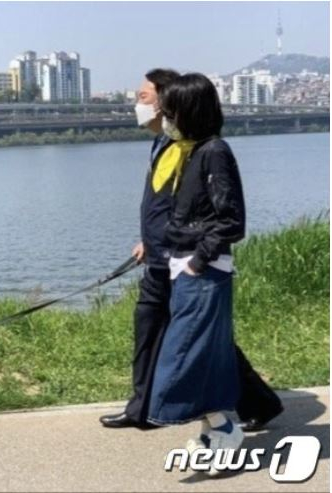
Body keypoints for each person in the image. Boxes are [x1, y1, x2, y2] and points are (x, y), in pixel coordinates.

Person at [99, 69, 283, 431]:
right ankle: (147, 409)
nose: (142, 105)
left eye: (146, 97)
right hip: (162, 256)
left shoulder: (199, 149)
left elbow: (221, 216)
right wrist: (148, 241)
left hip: (184, 262)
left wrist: (196, 262)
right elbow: (167, 206)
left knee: (195, 341)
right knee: (158, 330)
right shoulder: (166, 145)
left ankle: (221, 419)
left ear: (178, 103)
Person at [145, 72, 250, 472]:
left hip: (202, 271)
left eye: (170, 112)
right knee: (207, 355)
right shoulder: (191, 150)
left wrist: (196, 260)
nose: (164, 118)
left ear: (189, 111)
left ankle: (224, 427)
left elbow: (231, 221)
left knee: (182, 355)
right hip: (188, 268)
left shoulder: (213, 152)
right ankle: (215, 429)